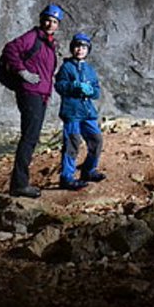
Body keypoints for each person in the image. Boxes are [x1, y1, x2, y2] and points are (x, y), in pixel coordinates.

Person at [3, 3, 64, 197]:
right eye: (47, 19)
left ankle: (19, 183)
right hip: (30, 92)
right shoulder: (33, 37)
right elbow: (11, 49)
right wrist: (23, 72)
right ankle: (19, 184)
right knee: (29, 137)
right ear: (41, 19)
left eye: (54, 21)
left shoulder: (48, 42)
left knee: (31, 137)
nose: (49, 23)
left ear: (58, 25)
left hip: (40, 94)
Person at [54, 32, 105, 190]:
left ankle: (89, 170)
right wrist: (74, 86)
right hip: (72, 112)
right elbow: (59, 86)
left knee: (96, 140)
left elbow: (97, 92)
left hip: (88, 112)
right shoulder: (66, 67)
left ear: (88, 50)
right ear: (72, 48)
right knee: (72, 143)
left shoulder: (90, 70)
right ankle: (67, 177)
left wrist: (91, 91)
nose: (80, 50)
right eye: (77, 46)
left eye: (83, 47)